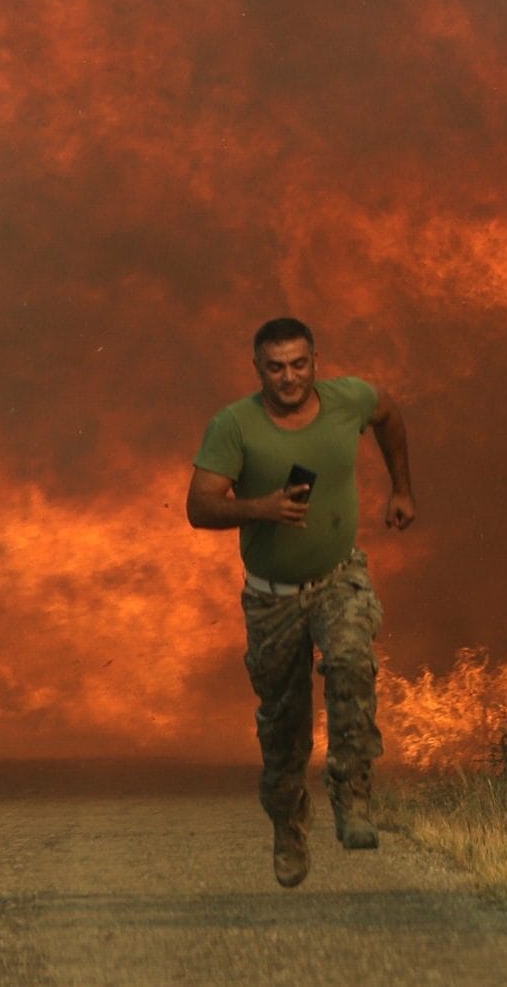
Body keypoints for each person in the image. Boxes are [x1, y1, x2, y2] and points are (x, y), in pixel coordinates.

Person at [186, 317, 414, 888]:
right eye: (275, 367)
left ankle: (353, 792)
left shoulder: (348, 401)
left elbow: (388, 415)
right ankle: (289, 828)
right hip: (272, 599)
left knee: (351, 661)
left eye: (299, 364)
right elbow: (200, 506)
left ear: (315, 360)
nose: (288, 377)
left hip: (339, 577)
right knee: (284, 732)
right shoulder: (235, 426)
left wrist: (402, 487)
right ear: (258, 368)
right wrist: (260, 509)